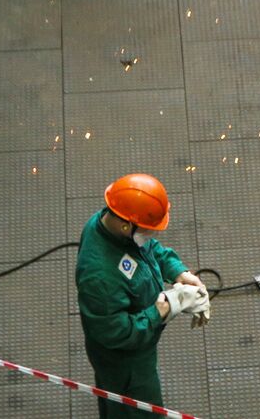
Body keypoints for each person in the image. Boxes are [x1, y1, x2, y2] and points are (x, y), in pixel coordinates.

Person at [75, 173, 209, 416]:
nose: (151, 236)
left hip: (132, 349)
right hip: (125, 361)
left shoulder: (112, 223)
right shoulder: (100, 277)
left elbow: (149, 249)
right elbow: (116, 332)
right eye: (148, 230)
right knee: (140, 410)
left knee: (114, 401)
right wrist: (161, 310)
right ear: (127, 225)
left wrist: (178, 271)